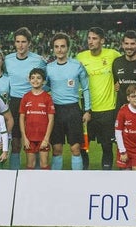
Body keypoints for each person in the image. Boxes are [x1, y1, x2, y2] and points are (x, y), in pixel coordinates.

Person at [75, 27, 122, 170]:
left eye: (94, 38)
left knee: (107, 145)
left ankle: (106, 174)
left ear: (102, 40)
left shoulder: (113, 54)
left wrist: (119, 82)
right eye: (89, 38)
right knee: (83, 144)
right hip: (87, 109)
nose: (91, 41)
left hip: (107, 109)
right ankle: (84, 169)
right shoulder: (80, 57)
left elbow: (122, 68)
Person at [45, 33, 91, 171]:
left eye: (63, 46)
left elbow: (86, 88)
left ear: (68, 48)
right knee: (57, 149)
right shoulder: (49, 68)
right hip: (55, 111)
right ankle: (55, 182)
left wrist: (87, 110)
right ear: (53, 49)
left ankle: (76, 182)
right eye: (56, 47)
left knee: (75, 148)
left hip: (73, 110)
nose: (59, 50)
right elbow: (45, 87)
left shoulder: (77, 66)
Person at [5, 27, 47, 170]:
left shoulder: (38, 60)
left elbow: (47, 81)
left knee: (35, 140)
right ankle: (14, 174)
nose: (20, 45)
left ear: (29, 43)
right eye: (18, 42)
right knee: (16, 142)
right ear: (14, 43)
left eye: (23, 42)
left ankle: (35, 173)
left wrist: (40, 96)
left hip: (34, 102)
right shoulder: (8, 60)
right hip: (15, 102)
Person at [20, 68, 55, 170]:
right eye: (33, 78)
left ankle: (45, 185)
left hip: (43, 138)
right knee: (30, 165)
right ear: (29, 80)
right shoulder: (26, 97)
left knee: (44, 164)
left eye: (39, 78)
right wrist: (24, 138)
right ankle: (30, 185)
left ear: (44, 81)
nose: (35, 80)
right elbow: (22, 118)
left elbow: (51, 119)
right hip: (29, 138)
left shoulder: (47, 98)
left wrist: (46, 139)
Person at [114, 85, 136, 171]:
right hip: (125, 149)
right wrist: (122, 151)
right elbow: (118, 132)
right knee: (125, 176)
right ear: (128, 98)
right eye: (133, 96)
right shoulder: (122, 112)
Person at [112, 30, 136, 111]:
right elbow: (115, 84)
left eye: (132, 43)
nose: (129, 47)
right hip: (121, 110)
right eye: (126, 43)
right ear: (122, 45)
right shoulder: (117, 62)